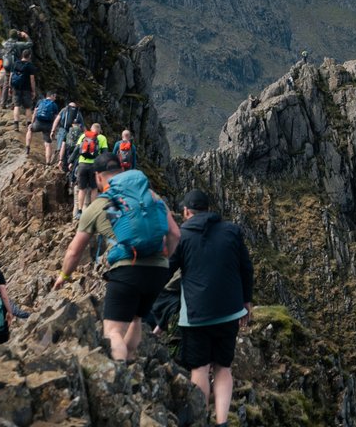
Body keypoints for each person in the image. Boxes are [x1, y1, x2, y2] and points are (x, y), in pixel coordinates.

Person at [53, 153, 180, 362]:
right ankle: (130, 360)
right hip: (158, 270)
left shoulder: (100, 205)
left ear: (98, 177)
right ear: (121, 171)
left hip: (127, 270)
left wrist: (64, 276)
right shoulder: (149, 195)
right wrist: (166, 260)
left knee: (113, 331)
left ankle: (119, 375)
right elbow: (175, 234)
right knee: (137, 318)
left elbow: (74, 251)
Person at [170, 189, 253, 427]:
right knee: (223, 367)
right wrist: (246, 302)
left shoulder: (182, 235)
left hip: (196, 315)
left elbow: (168, 268)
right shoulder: (231, 231)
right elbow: (246, 269)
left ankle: (200, 419)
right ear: (208, 209)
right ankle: (222, 422)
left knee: (200, 368)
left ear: (186, 211)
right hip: (230, 312)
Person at [73, 123, 108, 215]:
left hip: (82, 165)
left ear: (91, 129)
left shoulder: (84, 135)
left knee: (82, 189)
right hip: (94, 166)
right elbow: (105, 153)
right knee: (94, 188)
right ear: (99, 130)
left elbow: (76, 149)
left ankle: (79, 211)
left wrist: (70, 161)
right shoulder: (102, 138)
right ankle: (93, 211)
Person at [26, 91, 61, 163]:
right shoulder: (54, 105)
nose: (55, 98)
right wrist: (53, 130)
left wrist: (32, 123)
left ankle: (27, 147)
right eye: (54, 96)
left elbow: (35, 113)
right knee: (48, 144)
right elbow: (56, 118)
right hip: (48, 125)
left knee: (30, 129)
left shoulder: (40, 102)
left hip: (38, 123)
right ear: (51, 96)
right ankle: (48, 162)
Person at [51, 101, 84, 171]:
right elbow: (83, 127)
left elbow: (57, 120)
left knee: (60, 148)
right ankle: (69, 166)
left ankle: (57, 164)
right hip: (74, 133)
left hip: (63, 130)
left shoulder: (64, 110)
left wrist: (53, 131)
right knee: (71, 151)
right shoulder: (78, 113)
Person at [8, 48, 37, 126]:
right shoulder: (30, 66)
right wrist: (33, 91)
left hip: (16, 87)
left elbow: (11, 76)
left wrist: (10, 87)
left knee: (16, 106)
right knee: (28, 107)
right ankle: (28, 124)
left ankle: (16, 123)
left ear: (22, 55)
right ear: (29, 56)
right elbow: (32, 80)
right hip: (26, 88)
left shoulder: (15, 64)